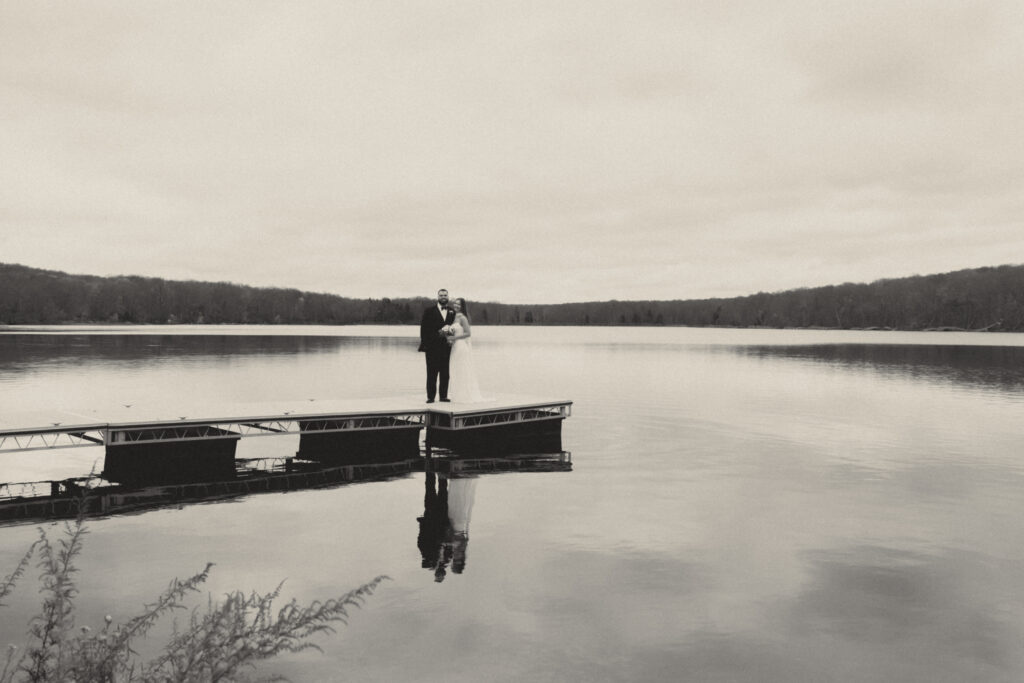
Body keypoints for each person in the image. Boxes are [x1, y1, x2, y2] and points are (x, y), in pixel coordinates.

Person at [419, 288, 454, 403]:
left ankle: (443, 396)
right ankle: (431, 397)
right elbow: (424, 330)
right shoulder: (429, 311)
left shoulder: (452, 311)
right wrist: (427, 344)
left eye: (445, 295)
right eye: (441, 295)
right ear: (437, 297)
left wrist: (451, 334)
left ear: (447, 297)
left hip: (446, 348)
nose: (443, 297)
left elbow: (456, 328)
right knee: (431, 373)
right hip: (432, 348)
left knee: (445, 373)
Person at [446, 297, 484, 403]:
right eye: (455, 304)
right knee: (455, 370)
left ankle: (465, 396)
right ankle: (457, 395)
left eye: (459, 304)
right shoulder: (454, 316)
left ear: (462, 306)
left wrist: (454, 338)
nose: (456, 306)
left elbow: (468, 333)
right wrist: (449, 337)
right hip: (454, 347)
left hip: (461, 347)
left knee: (462, 370)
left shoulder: (463, 318)